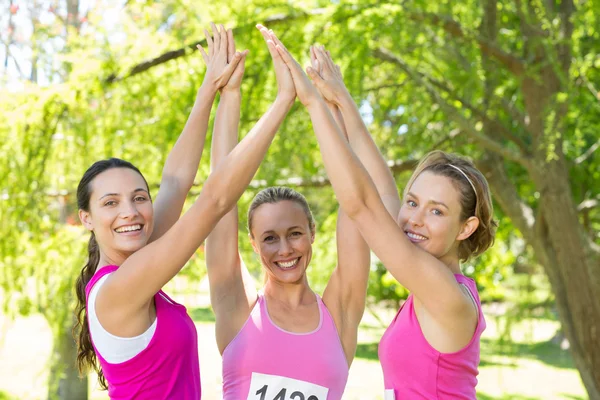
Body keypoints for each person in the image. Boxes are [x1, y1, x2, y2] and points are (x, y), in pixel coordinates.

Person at [265, 27, 497, 399]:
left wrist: (313, 104)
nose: (415, 218)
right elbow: (382, 189)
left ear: (465, 227)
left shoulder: (446, 293)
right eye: (413, 202)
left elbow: (361, 203)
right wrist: (341, 104)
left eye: (436, 211)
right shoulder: (431, 277)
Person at [72, 24, 285, 398]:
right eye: (110, 203)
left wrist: (219, 91)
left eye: (139, 197)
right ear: (86, 218)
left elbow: (175, 181)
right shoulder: (117, 289)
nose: (130, 212)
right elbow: (215, 201)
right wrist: (284, 100)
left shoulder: (136, 265)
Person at [204, 25, 389, 400]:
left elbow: (358, 200)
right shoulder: (237, 306)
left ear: (312, 233)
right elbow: (218, 197)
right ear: (253, 244)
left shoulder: (339, 312)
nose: (285, 249)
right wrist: (231, 96)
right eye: (269, 238)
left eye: (294, 233)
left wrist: (332, 105)